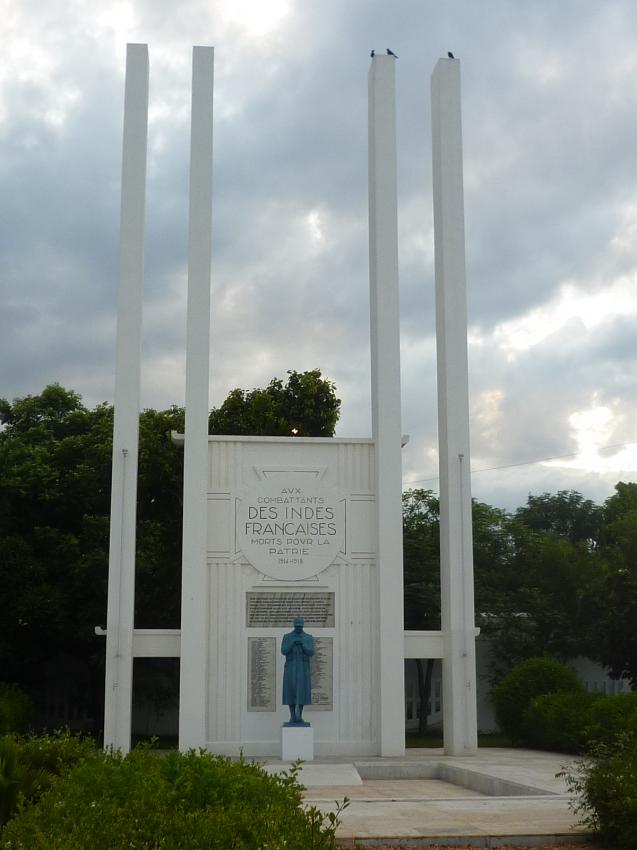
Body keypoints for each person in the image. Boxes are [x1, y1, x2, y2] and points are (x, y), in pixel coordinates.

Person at [281, 617, 315, 724]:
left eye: (300, 626)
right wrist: (292, 643)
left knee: (302, 691)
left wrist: (303, 644)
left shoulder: (308, 637)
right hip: (291, 667)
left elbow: (311, 652)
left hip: (303, 668)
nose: (298, 628)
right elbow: (284, 650)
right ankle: (292, 716)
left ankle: (299, 715)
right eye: (297, 626)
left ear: (303, 625)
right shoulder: (287, 637)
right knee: (290, 690)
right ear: (294, 625)